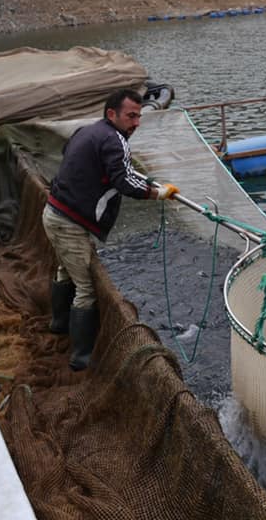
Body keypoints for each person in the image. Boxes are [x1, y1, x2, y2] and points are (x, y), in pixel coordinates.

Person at [43, 89, 178, 371]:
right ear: (111, 115)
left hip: (53, 212)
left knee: (65, 269)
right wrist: (158, 193)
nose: (136, 123)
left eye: (139, 116)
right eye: (131, 116)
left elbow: (72, 155)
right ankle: (81, 357)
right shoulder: (115, 141)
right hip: (68, 222)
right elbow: (125, 181)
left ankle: (59, 324)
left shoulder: (87, 131)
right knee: (87, 287)